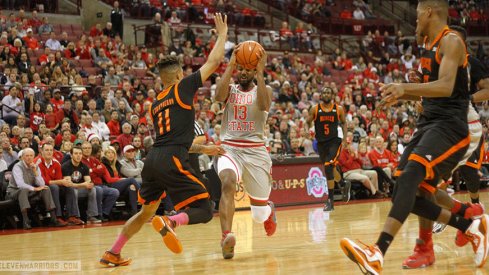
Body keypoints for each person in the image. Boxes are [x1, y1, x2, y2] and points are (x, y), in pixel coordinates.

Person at [340, 1, 489, 273]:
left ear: (430, 11)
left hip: (451, 126)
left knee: (413, 179)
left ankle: (378, 252)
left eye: (418, 12)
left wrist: (403, 87)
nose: (415, 17)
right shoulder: (427, 45)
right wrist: (398, 94)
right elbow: (428, 90)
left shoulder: (452, 41)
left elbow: (445, 87)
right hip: (429, 123)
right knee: (403, 190)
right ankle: (470, 225)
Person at [99, 13, 228, 267]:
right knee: (204, 208)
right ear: (180, 74)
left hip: (153, 160)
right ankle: (171, 221)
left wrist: (205, 148)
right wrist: (222, 34)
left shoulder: (156, 102)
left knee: (146, 211)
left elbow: (174, 139)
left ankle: (112, 252)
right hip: (171, 158)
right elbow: (214, 61)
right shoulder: (183, 88)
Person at [402, 25, 489, 269]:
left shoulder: (472, 63)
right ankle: (469, 215)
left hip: (463, 126)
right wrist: (416, 91)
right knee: (422, 186)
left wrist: (466, 99)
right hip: (440, 125)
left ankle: (430, 243)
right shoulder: (432, 58)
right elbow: (427, 90)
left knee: (427, 185)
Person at [214, 43, 277, 260]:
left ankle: (268, 210)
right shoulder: (230, 90)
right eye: (241, 69)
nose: (243, 73)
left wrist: (259, 73)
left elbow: (263, 105)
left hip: (255, 151)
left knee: (259, 215)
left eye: (248, 69)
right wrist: (231, 64)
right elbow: (217, 97)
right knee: (228, 182)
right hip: (230, 148)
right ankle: (226, 237)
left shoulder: (265, 89)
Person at [307, 87, 349, 211]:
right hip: (321, 143)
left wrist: (345, 139)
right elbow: (307, 121)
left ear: (332, 95)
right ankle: (343, 183)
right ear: (321, 95)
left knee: (327, 166)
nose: (326, 94)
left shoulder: (338, 109)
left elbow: (344, 123)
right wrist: (307, 130)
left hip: (334, 141)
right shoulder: (315, 109)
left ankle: (330, 200)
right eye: (324, 92)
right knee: (330, 168)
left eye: (328, 92)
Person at [7, 148, 58, 229]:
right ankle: (26, 221)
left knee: (46, 188)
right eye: (27, 156)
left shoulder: (35, 166)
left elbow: (42, 184)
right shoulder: (18, 166)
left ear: (34, 156)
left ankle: (53, 218)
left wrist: (35, 171)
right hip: (14, 192)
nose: (29, 157)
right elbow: (20, 184)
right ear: (23, 157)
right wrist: (34, 189)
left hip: (29, 191)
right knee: (23, 190)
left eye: (31, 156)